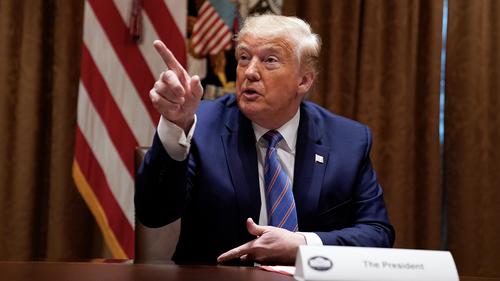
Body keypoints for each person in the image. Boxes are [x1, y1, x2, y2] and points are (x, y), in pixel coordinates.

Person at [135, 14, 395, 265]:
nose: (250, 72)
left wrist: (303, 245)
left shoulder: (348, 141)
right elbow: (155, 213)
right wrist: (175, 126)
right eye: (244, 58)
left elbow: (377, 233)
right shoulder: (200, 124)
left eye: (269, 60)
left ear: (303, 81)